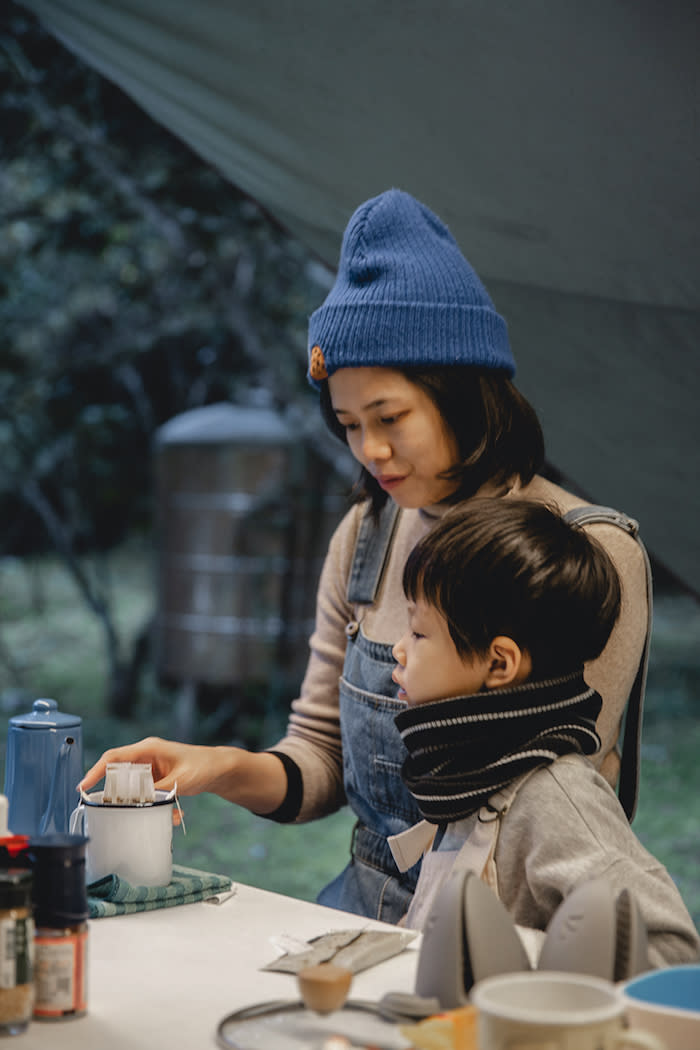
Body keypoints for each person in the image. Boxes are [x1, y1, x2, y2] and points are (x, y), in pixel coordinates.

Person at [81, 188, 649, 923]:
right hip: (363, 910)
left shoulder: (586, 550)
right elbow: (318, 758)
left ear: (469, 394)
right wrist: (216, 767)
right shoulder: (367, 532)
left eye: (391, 417)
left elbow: (567, 799)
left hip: (512, 929)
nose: (369, 451)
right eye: (348, 424)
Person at [387, 497, 698, 967]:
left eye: (418, 633)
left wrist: (525, 967)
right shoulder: (477, 773)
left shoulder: (552, 796)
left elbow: (673, 952)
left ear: (499, 663)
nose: (399, 649)